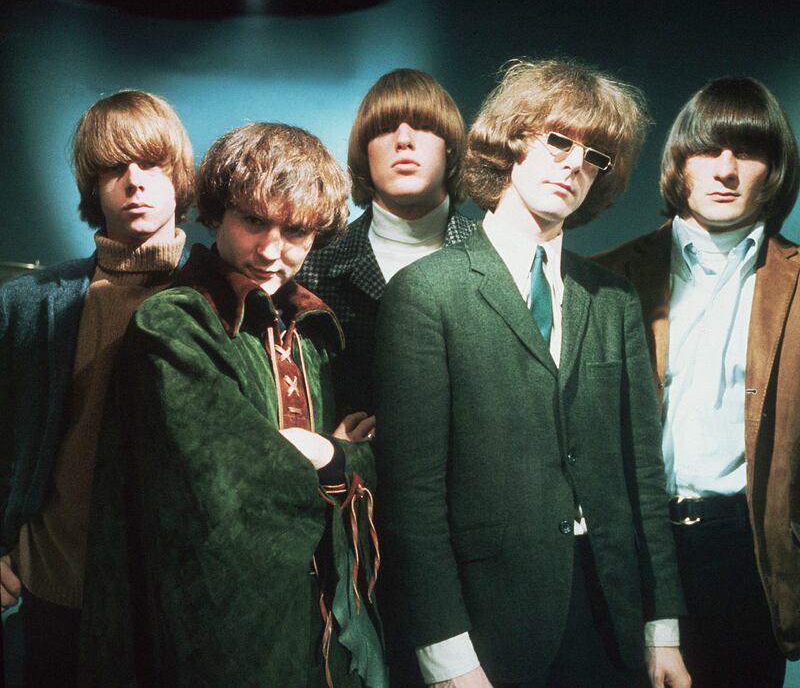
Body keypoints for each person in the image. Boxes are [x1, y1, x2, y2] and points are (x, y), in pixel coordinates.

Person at [375, 58, 691, 688]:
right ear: (512, 143)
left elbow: (641, 475)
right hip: (490, 623)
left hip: (610, 616)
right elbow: (412, 499)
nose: (574, 164)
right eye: (558, 141)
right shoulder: (426, 292)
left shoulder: (611, 298)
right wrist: (447, 657)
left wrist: (663, 630)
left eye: (594, 156)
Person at [79, 123, 388, 688]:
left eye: (295, 230)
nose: (271, 250)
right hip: (222, 636)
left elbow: (377, 463)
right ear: (218, 213)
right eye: (253, 221)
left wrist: (330, 455)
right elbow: (235, 496)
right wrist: (344, 461)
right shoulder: (175, 322)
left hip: (325, 628)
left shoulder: (316, 330)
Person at [596, 76, 800, 687]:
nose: (726, 170)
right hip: (631, 546)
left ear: (774, 172)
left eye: (748, 152)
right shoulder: (606, 279)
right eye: (708, 149)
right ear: (680, 164)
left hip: (749, 555)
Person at [0, 90, 193, 687]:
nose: (134, 181)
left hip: (178, 600)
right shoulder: (27, 304)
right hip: (56, 591)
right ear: (92, 185)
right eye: (113, 167)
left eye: (152, 163)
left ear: (179, 177)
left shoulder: (220, 297)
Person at [296, 68, 477, 414]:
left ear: (451, 149)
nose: (403, 140)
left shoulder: (497, 259)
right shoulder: (312, 267)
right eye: (384, 128)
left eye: (423, 125)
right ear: (364, 154)